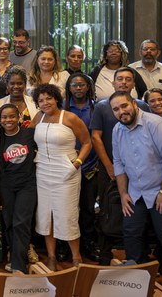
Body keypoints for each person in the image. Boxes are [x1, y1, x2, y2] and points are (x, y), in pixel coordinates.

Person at [110, 91, 162, 270]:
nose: (121, 111)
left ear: (134, 104)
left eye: (124, 106)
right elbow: (119, 164)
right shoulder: (117, 130)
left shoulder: (157, 124)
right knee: (131, 230)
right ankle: (136, 274)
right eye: (116, 109)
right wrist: (123, 194)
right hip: (138, 188)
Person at [89, 66, 150, 264]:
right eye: (120, 79)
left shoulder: (143, 106)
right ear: (113, 83)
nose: (124, 82)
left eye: (128, 79)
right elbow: (96, 137)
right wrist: (109, 166)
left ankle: (138, 253)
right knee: (109, 210)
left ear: (133, 84)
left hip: (138, 170)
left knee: (137, 209)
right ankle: (105, 254)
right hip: (110, 169)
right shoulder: (101, 106)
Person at [29, 84, 92, 270]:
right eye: (40, 100)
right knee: (46, 215)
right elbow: (27, 138)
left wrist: (77, 162)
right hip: (42, 171)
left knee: (67, 214)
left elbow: (87, 142)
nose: (45, 102)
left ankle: (76, 256)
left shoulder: (70, 117)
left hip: (67, 172)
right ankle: (51, 256)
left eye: (48, 98)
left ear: (56, 98)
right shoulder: (38, 117)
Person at [0, 104, 37, 274]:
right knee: (9, 222)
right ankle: (16, 254)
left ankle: (19, 265)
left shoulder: (29, 134)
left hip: (27, 185)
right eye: (4, 117)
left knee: (21, 222)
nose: (8, 120)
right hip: (6, 186)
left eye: (11, 116)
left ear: (18, 117)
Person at [64, 72, 100, 261]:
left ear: (88, 87)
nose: (78, 88)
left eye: (82, 85)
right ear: (69, 88)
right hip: (66, 167)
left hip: (90, 167)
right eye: (74, 85)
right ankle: (65, 245)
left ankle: (88, 244)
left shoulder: (96, 109)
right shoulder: (62, 109)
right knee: (67, 208)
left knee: (87, 208)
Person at [0, 66, 38, 135]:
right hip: (5, 145)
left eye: (19, 83)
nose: (16, 86)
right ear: (7, 85)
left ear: (25, 85)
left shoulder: (34, 102)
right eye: (12, 83)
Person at [131, 39, 162, 106]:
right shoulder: (131, 69)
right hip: (138, 111)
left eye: (152, 49)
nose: (148, 51)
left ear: (158, 53)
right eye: (145, 49)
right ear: (140, 52)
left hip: (161, 111)